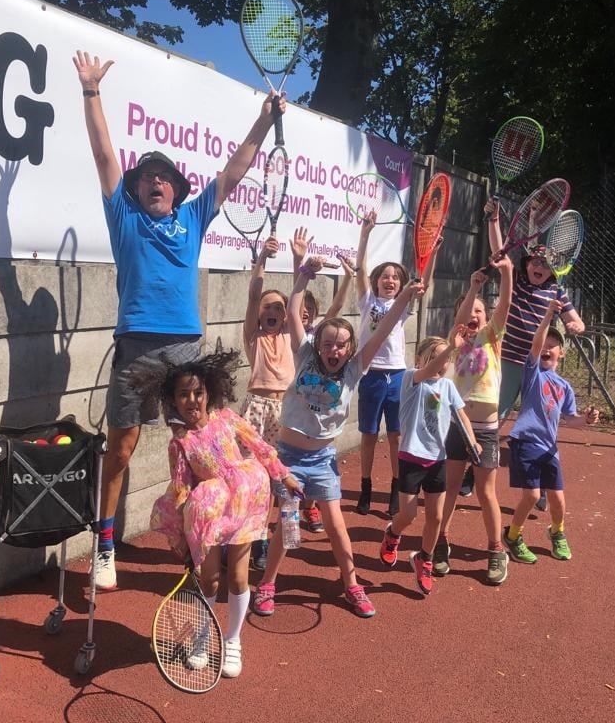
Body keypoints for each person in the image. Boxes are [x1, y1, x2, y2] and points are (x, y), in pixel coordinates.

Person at [73, 50, 286, 590]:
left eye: (164, 178)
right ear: (138, 189)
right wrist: (91, 92)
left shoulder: (193, 217)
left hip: (186, 352)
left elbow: (236, 168)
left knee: (201, 452)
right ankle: (104, 542)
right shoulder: (124, 218)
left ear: (177, 189)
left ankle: (203, 542)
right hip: (137, 347)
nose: (154, 183)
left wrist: (264, 118)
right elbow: (102, 159)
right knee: (120, 449)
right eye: (147, 177)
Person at [251, 255, 425, 619]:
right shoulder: (304, 357)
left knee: (336, 526)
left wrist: (406, 297)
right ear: (318, 346)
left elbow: (383, 329)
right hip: (289, 458)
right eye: (328, 343)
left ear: (350, 348)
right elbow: (296, 311)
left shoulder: (355, 369)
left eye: (341, 345)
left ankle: (351, 584)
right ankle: (268, 584)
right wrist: (301, 277)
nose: (334, 350)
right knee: (288, 524)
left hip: (322, 460)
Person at [136, 348, 302, 679]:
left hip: (246, 500)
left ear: (209, 392)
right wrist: (182, 531)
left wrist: (283, 474)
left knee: (239, 577)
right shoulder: (179, 442)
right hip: (210, 510)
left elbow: (260, 447)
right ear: (173, 401)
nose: (192, 400)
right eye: (183, 395)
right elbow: (181, 487)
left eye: (198, 392)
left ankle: (233, 640)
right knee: (209, 578)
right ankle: (202, 633)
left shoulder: (227, 418)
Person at [487, 199, 586, 511]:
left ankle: (541, 487)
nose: (538, 268)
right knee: (495, 418)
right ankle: (474, 471)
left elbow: (575, 319)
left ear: (553, 270)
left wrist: (574, 324)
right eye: (534, 263)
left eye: (544, 266)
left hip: (538, 370)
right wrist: (493, 221)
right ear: (526, 264)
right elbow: (500, 251)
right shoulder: (515, 281)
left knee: (541, 426)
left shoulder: (556, 291)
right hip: (510, 361)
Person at [378, 333, 480, 596]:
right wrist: (450, 349)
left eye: (444, 358)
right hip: (411, 457)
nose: (440, 363)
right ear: (420, 359)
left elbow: (461, 415)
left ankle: (424, 559)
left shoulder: (447, 387)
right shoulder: (413, 380)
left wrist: (473, 441)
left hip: (437, 460)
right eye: (433, 357)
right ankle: (392, 533)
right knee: (408, 516)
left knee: (435, 517)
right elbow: (431, 369)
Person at [503, 300, 599, 565]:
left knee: (557, 498)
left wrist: (587, 420)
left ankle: (557, 532)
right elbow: (536, 344)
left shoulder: (564, 386)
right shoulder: (532, 373)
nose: (546, 348)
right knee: (532, 495)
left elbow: (571, 419)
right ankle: (513, 535)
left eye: (552, 346)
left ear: (562, 354)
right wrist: (548, 314)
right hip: (525, 441)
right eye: (543, 345)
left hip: (549, 447)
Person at [437, 257, 514, 585]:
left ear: (486, 319)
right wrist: (472, 288)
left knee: (485, 492)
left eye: (479, 313)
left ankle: (497, 549)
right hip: (457, 425)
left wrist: (507, 273)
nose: (472, 316)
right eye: (467, 313)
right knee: (450, 487)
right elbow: (461, 315)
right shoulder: (456, 344)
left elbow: (505, 305)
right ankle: (440, 540)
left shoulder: (491, 338)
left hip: (485, 430)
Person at [353, 211, 427, 517]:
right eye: (385, 276)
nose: (390, 280)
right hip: (370, 375)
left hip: (397, 376)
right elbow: (359, 268)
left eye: (396, 277)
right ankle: (366, 488)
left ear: (401, 285)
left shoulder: (403, 306)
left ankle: (396, 489)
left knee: (396, 436)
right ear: (376, 281)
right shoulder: (367, 301)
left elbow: (424, 282)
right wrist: (366, 233)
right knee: (368, 436)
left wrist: (431, 252)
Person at [290, 226, 355, 535]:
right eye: (302, 311)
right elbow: (294, 299)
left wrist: (349, 279)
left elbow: (337, 309)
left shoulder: (323, 338)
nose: (304, 315)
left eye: (309, 312)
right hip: (291, 411)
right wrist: (300, 262)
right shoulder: (302, 344)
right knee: (282, 479)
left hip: (319, 433)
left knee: (313, 472)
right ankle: (275, 535)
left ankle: (310, 507)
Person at [239, 236, 295, 571]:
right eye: (266, 307)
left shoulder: (290, 337)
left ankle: (282, 537)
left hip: (284, 410)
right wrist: (262, 258)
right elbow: (252, 295)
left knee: (282, 477)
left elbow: (298, 301)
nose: (272, 311)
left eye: (278, 307)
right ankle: (256, 539)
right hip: (255, 410)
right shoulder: (254, 337)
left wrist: (299, 263)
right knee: (254, 480)